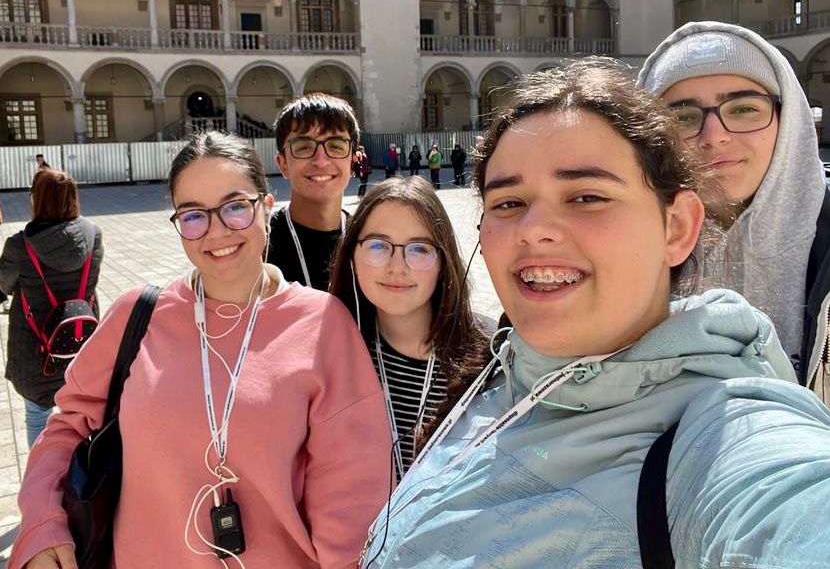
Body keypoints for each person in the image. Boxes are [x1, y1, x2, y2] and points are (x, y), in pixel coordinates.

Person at [359, 61, 830, 568]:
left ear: (676, 227)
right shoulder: (501, 371)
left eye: (587, 197)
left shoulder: (722, 437)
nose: (533, 229)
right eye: (509, 203)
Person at [10, 131, 390, 569]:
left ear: (267, 208)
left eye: (235, 207)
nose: (217, 231)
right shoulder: (138, 315)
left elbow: (352, 493)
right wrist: (42, 523)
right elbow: (67, 427)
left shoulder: (322, 324)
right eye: (193, 215)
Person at [638, 21, 829, 393]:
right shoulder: (614, 241)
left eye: (743, 109)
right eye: (683, 117)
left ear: (787, 119)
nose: (715, 136)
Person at [329, 177, 488, 480]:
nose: (397, 267)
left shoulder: (490, 361)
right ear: (351, 256)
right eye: (378, 245)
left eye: (419, 249)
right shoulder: (328, 357)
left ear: (443, 262)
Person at [0, 169, 103, 449]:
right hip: (82, 344)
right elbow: (91, 281)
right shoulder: (93, 235)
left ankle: (41, 473)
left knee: (37, 416)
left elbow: (3, 285)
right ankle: (79, 468)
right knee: (80, 415)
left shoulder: (19, 245)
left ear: (38, 199)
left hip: (35, 350)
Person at [267, 93, 358, 291]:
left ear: (353, 161)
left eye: (336, 146)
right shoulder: (259, 246)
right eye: (303, 147)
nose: (321, 161)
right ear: (283, 164)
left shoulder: (369, 238)